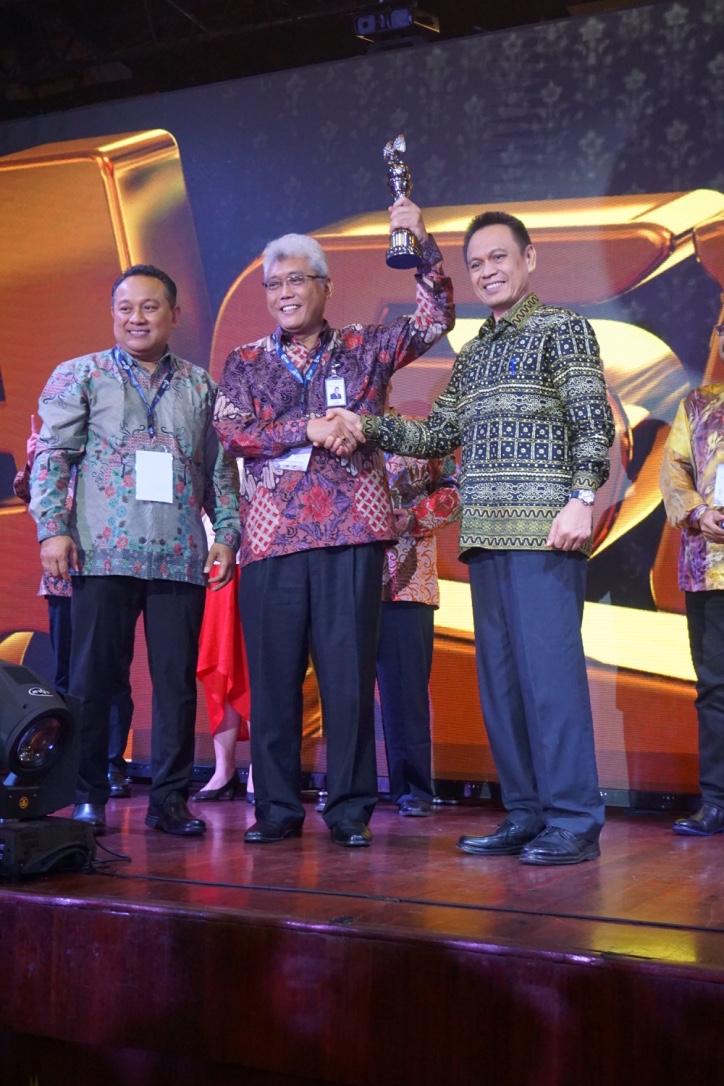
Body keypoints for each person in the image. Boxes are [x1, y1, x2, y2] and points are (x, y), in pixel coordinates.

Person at [332, 210, 615, 865]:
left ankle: (574, 819)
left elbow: (592, 421)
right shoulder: (477, 351)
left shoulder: (562, 328)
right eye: (477, 263)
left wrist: (581, 499)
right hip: (486, 537)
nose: (488, 271)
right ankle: (526, 812)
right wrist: (367, 424)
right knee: (503, 687)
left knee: (552, 683)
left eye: (499, 257)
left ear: (529, 258)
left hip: (546, 534)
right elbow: (436, 435)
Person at [213, 196, 455, 847]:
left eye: (298, 280)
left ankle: (348, 810)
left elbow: (436, 317)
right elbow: (232, 432)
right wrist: (310, 428)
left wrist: (420, 243)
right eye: (275, 284)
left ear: (325, 285)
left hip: (352, 535)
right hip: (272, 540)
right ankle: (276, 809)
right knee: (274, 685)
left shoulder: (364, 346)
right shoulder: (245, 361)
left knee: (348, 683)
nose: (285, 293)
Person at [29, 264, 240, 837]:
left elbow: (221, 469)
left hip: (179, 555)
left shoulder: (201, 386)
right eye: (126, 308)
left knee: (175, 686)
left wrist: (226, 533)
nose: (137, 318)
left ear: (175, 314)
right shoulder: (81, 374)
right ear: (113, 314)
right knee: (92, 682)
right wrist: (52, 529)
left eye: (150, 307)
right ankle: (88, 795)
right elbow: (51, 456)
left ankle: (169, 800)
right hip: (101, 552)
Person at [14, 417, 135, 799]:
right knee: (68, 678)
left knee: (114, 675)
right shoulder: (57, 454)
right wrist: (34, 461)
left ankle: (113, 765)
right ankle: (69, 764)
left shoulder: (115, 449)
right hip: (63, 582)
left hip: (112, 577)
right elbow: (30, 495)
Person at [377, 408, 459, 816]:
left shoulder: (420, 434)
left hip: (408, 583)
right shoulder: (330, 434)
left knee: (406, 694)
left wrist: (414, 516)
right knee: (342, 693)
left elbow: (455, 490)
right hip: (341, 581)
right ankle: (348, 790)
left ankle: (413, 790)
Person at [660, 319, 724, 837]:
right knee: (715, 689)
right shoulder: (699, 405)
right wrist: (699, 512)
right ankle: (717, 802)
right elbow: (674, 470)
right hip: (710, 570)